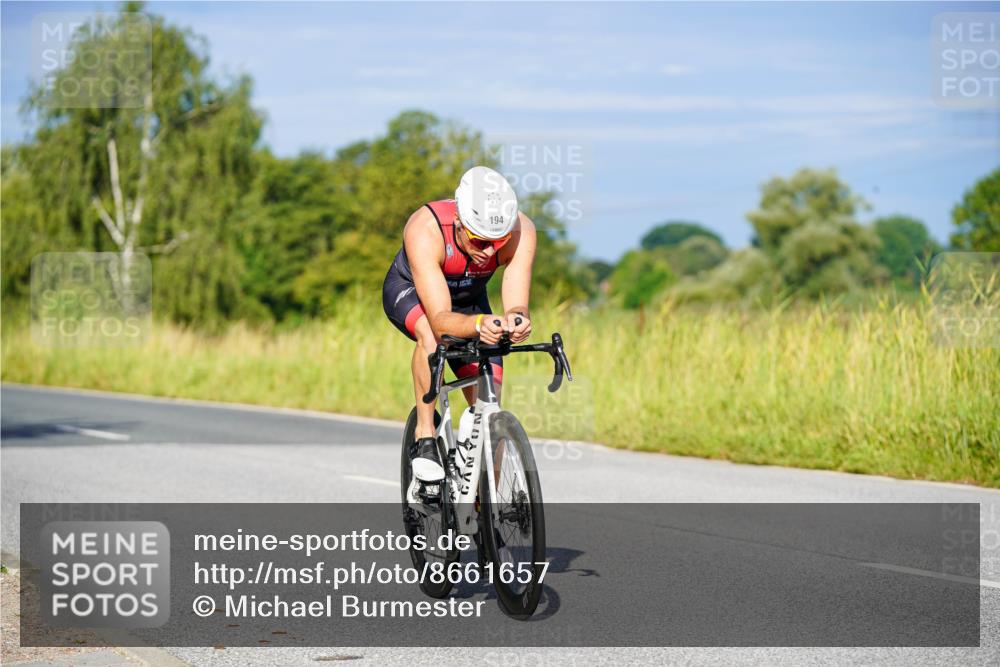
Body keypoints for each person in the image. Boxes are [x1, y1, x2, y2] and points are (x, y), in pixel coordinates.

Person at [382, 166, 536, 481]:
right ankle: (425, 436)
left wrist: (517, 319)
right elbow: (440, 322)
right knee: (431, 337)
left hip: (469, 301)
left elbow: (517, 300)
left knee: (489, 412)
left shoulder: (523, 230)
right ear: (460, 224)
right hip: (415, 295)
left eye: (499, 241)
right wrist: (480, 323)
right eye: (481, 241)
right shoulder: (426, 228)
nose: (490, 251)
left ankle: (484, 505)